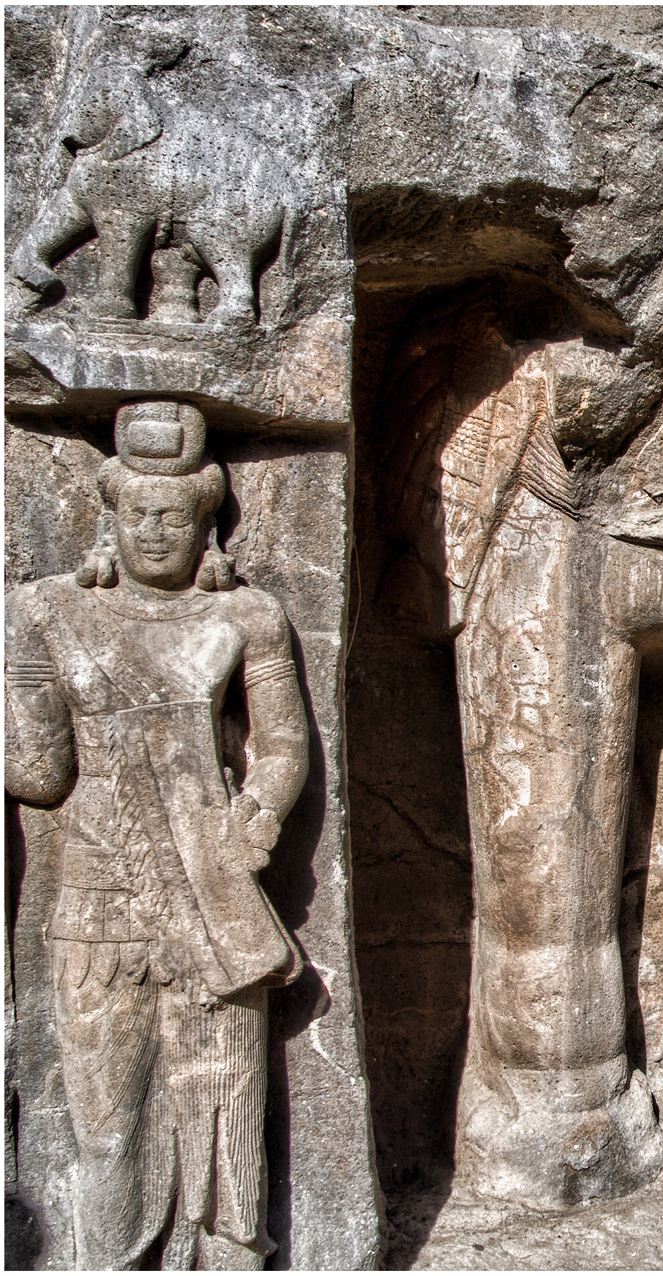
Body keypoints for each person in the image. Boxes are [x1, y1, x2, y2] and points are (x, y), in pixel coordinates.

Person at [5, 398, 307, 1269]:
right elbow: (40, 776)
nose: (153, 531)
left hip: (213, 888)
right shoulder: (46, 611)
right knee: (107, 1128)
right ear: (110, 514)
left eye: (173, 515)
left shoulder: (248, 616)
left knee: (224, 1109)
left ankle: (225, 1255)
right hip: (99, 900)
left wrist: (258, 812)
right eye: (137, 513)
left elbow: (283, 744)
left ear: (205, 521)